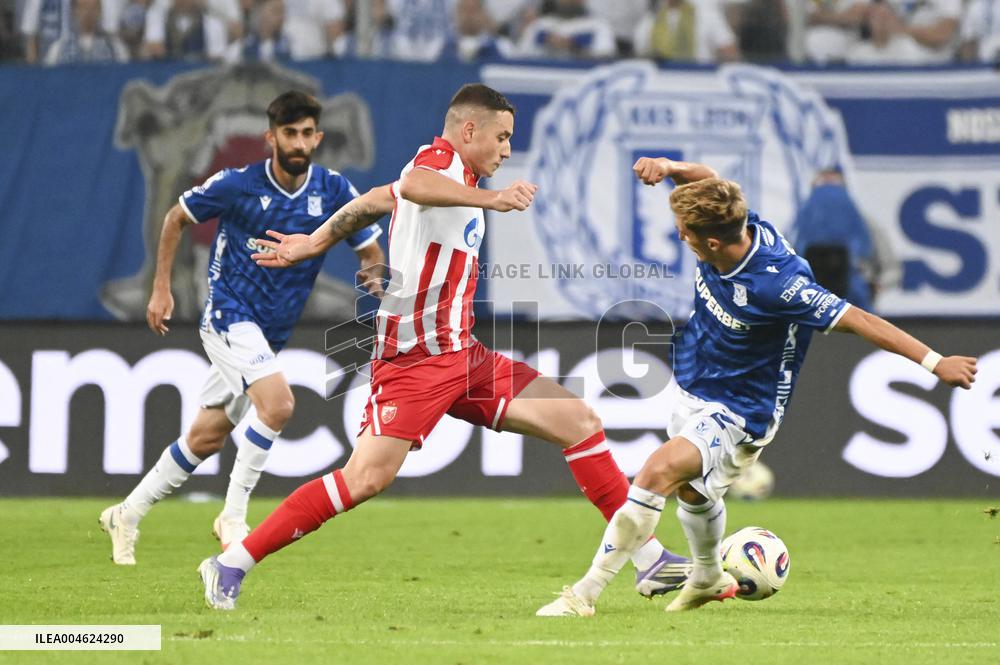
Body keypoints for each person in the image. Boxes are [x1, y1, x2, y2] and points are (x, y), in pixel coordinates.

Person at [196, 83, 690, 610]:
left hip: (465, 357)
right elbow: (414, 182)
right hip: (414, 361)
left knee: (581, 422)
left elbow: (378, 198)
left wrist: (313, 243)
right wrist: (492, 199)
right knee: (364, 479)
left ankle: (649, 558)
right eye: (501, 137)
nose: (506, 149)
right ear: (469, 130)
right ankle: (231, 562)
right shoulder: (440, 163)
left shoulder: (461, 177)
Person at [536, 156, 978, 616]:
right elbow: (709, 180)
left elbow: (859, 318)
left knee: (656, 474)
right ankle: (707, 575)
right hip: (698, 386)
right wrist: (669, 166)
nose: (680, 238)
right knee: (693, 492)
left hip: (741, 409)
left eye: (684, 233)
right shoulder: (741, 225)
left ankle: (583, 595)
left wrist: (935, 361)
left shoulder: (777, 286)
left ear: (709, 241)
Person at [99, 91, 386, 566]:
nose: (298, 142)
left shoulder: (334, 191)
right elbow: (176, 217)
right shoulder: (237, 184)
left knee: (206, 436)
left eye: (306, 133)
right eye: (288, 133)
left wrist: (376, 280)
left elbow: (369, 251)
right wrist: (161, 289)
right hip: (229, 314)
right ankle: (233, 517)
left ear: (318, 137)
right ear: (270, 137)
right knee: (279, 404)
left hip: (271, 332)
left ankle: (126, 513)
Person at [790, 167, 876, 311]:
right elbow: (863, 243)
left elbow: (795, 236)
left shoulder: (809, 206)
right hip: (843, 264)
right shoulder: (846, 203)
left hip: (815, 263)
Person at [44, 0, 129, 64]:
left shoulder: (115, 48)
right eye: (83, 8)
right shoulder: (58, 49)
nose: (88, 12)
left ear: (100, 11)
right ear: (74, 11)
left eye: (93, 8)